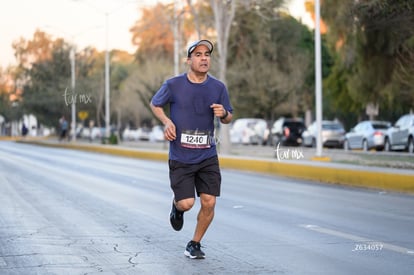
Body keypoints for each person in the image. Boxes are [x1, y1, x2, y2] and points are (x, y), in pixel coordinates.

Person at [150, 39, 233, 259]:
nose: (204, 58)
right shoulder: (174, 85)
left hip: (207, 154)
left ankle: (194, 243)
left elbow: (229, 116)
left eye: (207, 54)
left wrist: (223, 113)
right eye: (198, 54)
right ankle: (177, 207)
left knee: (209, 201)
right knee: (187, 203)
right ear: (189, 60)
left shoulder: (218, 87)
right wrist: (167, 122)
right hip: (181, 156)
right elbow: (155, 104)